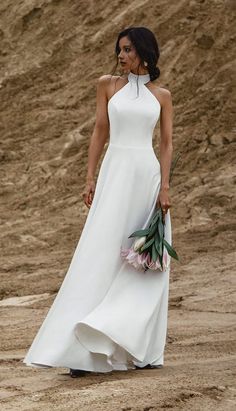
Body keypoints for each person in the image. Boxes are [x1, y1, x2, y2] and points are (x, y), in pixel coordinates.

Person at [23, 26, 173, 378]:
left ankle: (143, 349)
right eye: (119, 50)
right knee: (101, 251)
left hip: (146, 178)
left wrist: (164, 186)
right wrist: (90, 177)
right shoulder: (107, 84)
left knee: (145, 263)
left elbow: (166, 144)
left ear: (145, 53)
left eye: (127, 50)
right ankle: (80, 350)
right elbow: (99, 131)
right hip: (115, 175)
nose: (120, 56)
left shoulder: (162, 95)